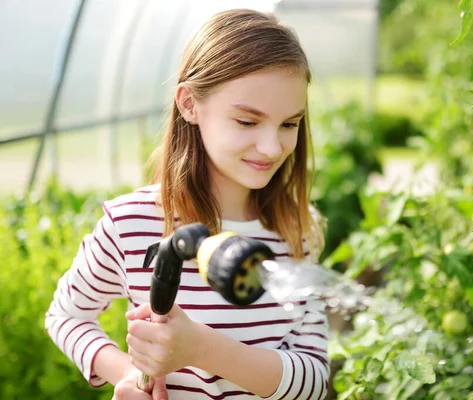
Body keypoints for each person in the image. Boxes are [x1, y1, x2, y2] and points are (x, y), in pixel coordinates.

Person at [45, 8, 329, 400]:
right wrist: (127, 374)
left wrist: (201, 348)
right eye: (248, 122)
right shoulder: (132, 223)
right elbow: (66, 315)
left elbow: (314, 379)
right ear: (189, 104)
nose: (271, 147)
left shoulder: (298, 229)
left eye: (289, 124)